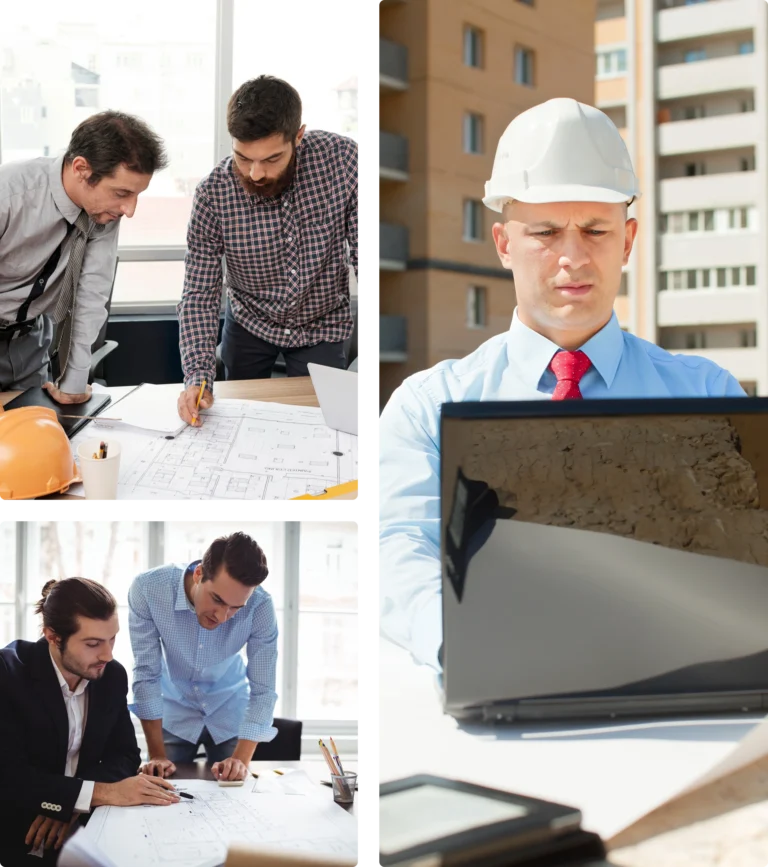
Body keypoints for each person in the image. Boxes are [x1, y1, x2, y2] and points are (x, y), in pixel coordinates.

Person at [376, 97, 747, 672]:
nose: (572, 258)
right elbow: (398, 548)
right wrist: (469, 645)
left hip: (679, 686)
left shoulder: (712, 400)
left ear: (626, 241)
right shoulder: (428, 410)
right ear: (503, 243)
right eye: (546, 232)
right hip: (498, 684)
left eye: (595, 230)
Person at [176, 75, 360, 426]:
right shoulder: (213, 194)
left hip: (321, 323)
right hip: (249, 325)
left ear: (299, 136)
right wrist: (197, 378)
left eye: (272, 159)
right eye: (243, 158)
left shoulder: (344, 163)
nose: (256, 173)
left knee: (324, 427)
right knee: (239, 423)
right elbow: (200, 292)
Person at [0, 578, 180, 865]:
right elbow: (10, 777)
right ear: (53, 636)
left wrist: (74, 803)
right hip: (14, 834)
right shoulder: (8, 675)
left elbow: (125, 754)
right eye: (93, 643)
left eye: (112, 639)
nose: (107, 655)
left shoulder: (111, 675)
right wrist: (101, 792)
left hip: (83, 831)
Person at [0, 111, 167, 402]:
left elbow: (91, 296)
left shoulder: (103, 213)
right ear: (81, 169)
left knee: (41, 441)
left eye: (136, 195)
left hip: (30, 346)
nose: (130, 209)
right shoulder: (9, 196)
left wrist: (74, 382)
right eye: (122, 193)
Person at [128, 531, 278, 781]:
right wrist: (156, 755)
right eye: (217, 600)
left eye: (235, 608)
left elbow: (264, 690)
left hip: (230, 709)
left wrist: (240, 761)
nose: (221, 617)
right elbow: (146, 674)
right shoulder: (148, 589)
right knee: (160, 788)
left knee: (234, 796)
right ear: (199, 574)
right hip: (173, 708)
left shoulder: (260, 606)